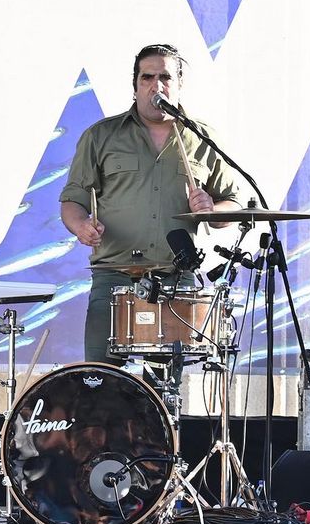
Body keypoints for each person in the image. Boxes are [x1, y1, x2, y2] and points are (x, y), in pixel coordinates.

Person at [60, 44, 246, 363]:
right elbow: (72, 201)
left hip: (176, 279)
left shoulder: (203, 138)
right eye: (147, 77)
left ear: (179, 84)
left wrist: (212, 211)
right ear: (135, 85)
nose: (156, 85)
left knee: (163, 386)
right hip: (114, 276)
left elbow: (234, 205)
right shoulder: (101, 136)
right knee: (101, 380)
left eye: (165, 77)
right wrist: (81, 226)